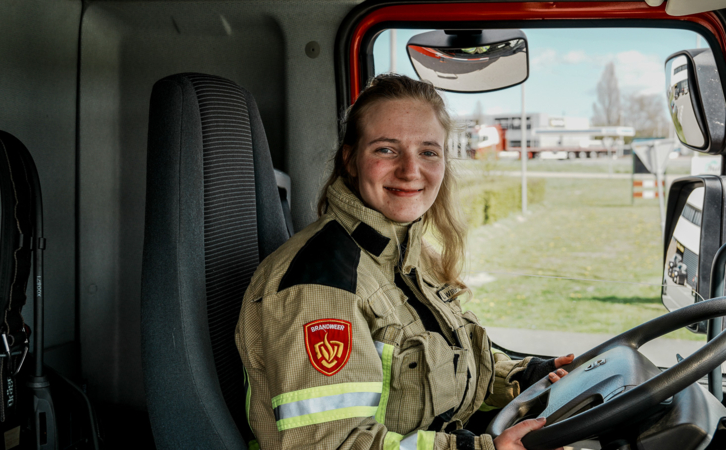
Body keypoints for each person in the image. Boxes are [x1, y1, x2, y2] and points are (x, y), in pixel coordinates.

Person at [235, 74, 573, 450]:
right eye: (386, 150)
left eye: (428, 151)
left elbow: (435, 357)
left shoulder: (404, 255)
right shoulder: (323, 282)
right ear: (350, 160)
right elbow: (331, 444)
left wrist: (525, 377)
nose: (411, 170)